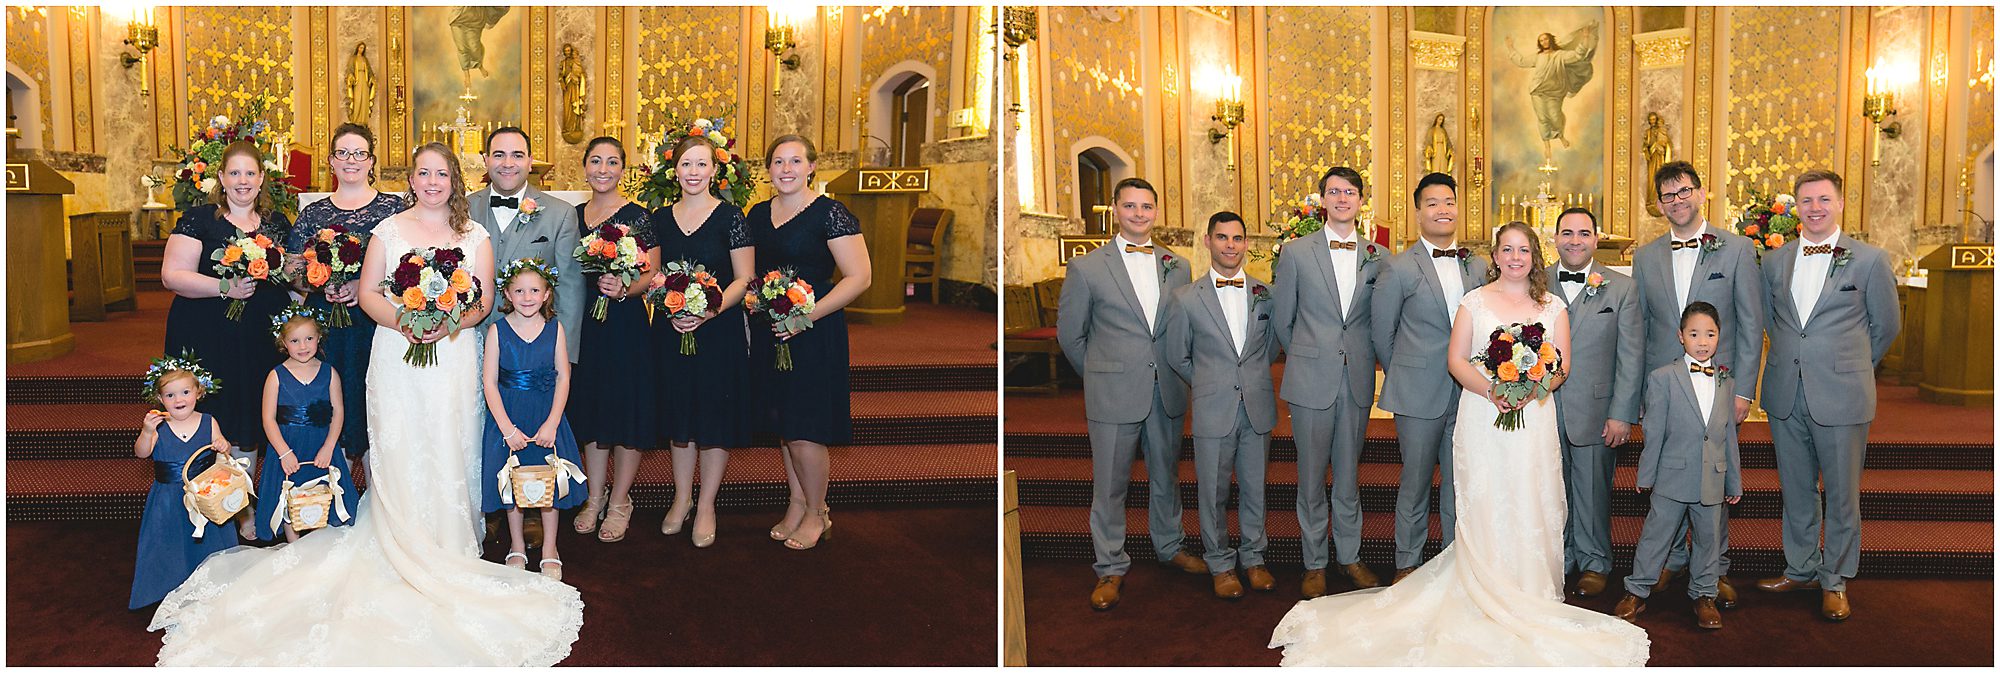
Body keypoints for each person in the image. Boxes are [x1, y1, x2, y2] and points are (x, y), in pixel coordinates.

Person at [147, 143, 583, 666]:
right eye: (423, 173)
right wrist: (405, 321)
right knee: (400, 442)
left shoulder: (476, 235)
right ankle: (396, 536)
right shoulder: (389, 231)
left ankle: (451, 541)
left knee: (451, 440)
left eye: (441, 174)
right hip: (398, 353)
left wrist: (446, 321)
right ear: (411, 177)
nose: (431, 182)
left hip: (452, 353)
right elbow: (373, 294)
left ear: (454, 180)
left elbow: (486, 299)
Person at [1270, 222, 1650, 666]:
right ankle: (1478, 585)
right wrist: (1494, 391)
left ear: (1534, 257)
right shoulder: (1474, 302)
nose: (1514, 257)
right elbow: (1456, 359)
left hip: (1533, 417)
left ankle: (1531, 589)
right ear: (1495, 255)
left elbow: (1560, 365)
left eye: (1523, 250)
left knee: (1532, 496)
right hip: (1483, 414)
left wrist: (1530, 390)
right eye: (1506, 249)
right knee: (1485, 497)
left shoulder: (1553, 307)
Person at [1753, 169, 1900, 621]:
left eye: (1822, 199)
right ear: (1795, 207)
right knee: (1796, 489)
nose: (1814, 208)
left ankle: (1834, 578)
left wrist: (1848, 366)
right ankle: (1799, 567)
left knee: (1840, 494)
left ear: (1839, 204)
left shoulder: (1869, 260)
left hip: (1843, 394)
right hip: (1784, 393)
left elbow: (1887, 326)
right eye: (1805, 201)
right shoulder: (1775, 261)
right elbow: (1769, 319)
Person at [1056, 177, 1203, 611]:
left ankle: (1170, 546)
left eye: (1147, 207)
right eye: (1131, 206)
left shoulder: (1178, 266)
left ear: (1156, 212)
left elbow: (1182, 330)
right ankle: (1109, 566)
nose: (1139, 214)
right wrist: (1102, 374)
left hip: (1168, 389)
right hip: (1113, 391)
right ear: (1115, 211)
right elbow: (1071, 336)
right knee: (1111, 484)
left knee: (1167, 476)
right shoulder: (1087, 267)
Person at [1630, 160, 1762, 606]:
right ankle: (1667, 562)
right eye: (1667, 196)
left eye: (1684, 191)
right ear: (1659, 204)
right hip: (1666, 390)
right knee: (1669, 477)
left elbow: (1749, 321)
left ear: (1701, 193)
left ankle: (1713, 569)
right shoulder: (1645, 256)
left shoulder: (1737, 248)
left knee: (1713, 474)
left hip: (1717, 389)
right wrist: (1644, 395)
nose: (1677, 201)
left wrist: (1743, 390)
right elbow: (1643, 327)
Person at [160, 140, 292, 539]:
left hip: (258, 337)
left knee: (250, 416)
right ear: (220, 178)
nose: (242, 181)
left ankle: (242, 510)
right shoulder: (199, 219)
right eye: (234, 173)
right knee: (217, 415)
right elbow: (173, 275)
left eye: (250, 173)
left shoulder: (276, 223)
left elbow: (291, 277)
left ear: (262, 178)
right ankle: (206, 505)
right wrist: (226, 286)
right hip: (207, 334)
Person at [1271, 166, 1390, 597]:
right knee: (1310, 474)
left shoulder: (1378, 255)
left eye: (1351, 192)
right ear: (1322, 199)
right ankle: (1314, 561)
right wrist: (1310, 353)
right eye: (1334, 191)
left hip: (1356, 377)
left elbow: (1381, 319)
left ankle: (1350, 557)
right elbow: (1282, 320)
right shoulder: (1296, 252)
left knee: (1348, 473)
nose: (1343, 198)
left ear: (1361, 201)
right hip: (1309, 378)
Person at [748, 134, 871, 552]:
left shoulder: (830, 213)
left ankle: (819, 512)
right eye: (778, 162)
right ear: (769, 170)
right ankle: (797, 503)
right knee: (785, 426)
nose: (786, 169)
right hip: (772, 330)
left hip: (814, 331)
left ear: (811, 167)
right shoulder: (759, 214)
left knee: (806, 429)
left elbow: (859, 276)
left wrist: (807, 316)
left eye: (795, 161)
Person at [1371, 172, 1488, 582]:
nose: (1443, 209)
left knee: (1461, 481)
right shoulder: (1399, 268)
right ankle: (1407, 561)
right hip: (1418, 394)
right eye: (1433, 203)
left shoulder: (1478, 265)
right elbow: (1382, 335)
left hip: (1471, 394)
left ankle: (1457, 560)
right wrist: (1410, 371)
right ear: (1419, 212)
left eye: (1449, 202)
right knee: (1416, 481)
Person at [1161, 211, 1278, 599]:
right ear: (1208, 241)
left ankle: (1254, 558)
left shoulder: (1266, 294)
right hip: (1214, 407)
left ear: (1247, 244)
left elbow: (1271, 346)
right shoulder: (1185, 298)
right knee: (1213, 491)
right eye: (1222, 237)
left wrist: (1249, 379)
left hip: (1257, 404)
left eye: (1238, 238)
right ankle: (1220, 563)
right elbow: (1178, 355)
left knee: (1254, 487)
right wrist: (1213, 383)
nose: (1230, 245)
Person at [652, 134, 755, 547]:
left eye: (701, 164)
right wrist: (674, 306)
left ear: (715, 170)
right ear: (674, 171)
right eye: (685, 164)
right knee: (680, 416)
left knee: (713, 417)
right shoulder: (659, 218)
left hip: (718, 330)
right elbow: (654, 275)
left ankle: (707, 502)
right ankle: (681, 497)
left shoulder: (732, 217)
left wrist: (708, 310)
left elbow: (744, 277)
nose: (693, 172)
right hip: (672, 328)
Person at [1616, 301, 1743, 630]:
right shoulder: (1663, 378)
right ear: (1681, 337)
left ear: (1719, 337)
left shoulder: (1726, 381)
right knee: (1655, 536)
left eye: (1710, 334)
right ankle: (1636, 590)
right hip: (1671, 476)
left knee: (1707, 539)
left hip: (1712, 477)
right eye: (1695, 334)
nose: (1703, 341)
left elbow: (1728, 435)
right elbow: (1654, 432)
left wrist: (1734, 482)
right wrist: (1647, 474)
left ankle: (1704, 594)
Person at [288, 123, 404, 461]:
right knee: (327, 400)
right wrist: (321, 281)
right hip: (325, 323)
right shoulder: (314, 212)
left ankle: (375, 496)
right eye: (343, 153)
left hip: (375, 321)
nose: (351, 160)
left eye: (359, 153)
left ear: (371, 161)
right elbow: (293, 269)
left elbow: (406, 268)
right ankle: (331, 491)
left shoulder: (392, 210)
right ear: (331, 161)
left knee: (373, 403)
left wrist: (363, 286)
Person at [1544, 207, 1642, 596]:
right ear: (1554, 239)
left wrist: (1622, 414)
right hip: (1542, 409)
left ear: (1596, 239)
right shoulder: (1535, 283)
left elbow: (1631, 356)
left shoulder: (1621, 288)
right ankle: (1559, 557)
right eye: (1566, 233)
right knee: (1550, 488)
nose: (1574, 241)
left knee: (1592, 490)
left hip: (1597, 409)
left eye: (1583, 233)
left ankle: (1595, 561)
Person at [566, 137, 659, 543]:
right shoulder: (571, 216)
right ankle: (594, 495)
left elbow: (652, 272)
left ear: (623, 168)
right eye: (596, 161)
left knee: (625, 410)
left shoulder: (639, 216)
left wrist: (624, 287)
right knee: (592, 412)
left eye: (613, 162)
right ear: (584, 168)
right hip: (584, 322)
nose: (603, 169)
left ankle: (621, 500)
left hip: (625, 323)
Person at [482, 258, 586, 580]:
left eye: (534, 290)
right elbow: (488, 382)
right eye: (519, 291)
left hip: (545, 416)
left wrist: (553, 422)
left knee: (548, 481)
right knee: (513, 483)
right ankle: (515, 544)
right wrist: (506, 428)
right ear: (508, 295)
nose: (527, 297)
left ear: (546, 295)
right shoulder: (497, 331)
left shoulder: (556, 330)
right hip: (509, 418)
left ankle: (550, 548)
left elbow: (563, 378)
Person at [130, 357, 236, 609]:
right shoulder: (158, 426)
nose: (179, 400)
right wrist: (146, 432)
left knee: (207, 543)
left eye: (185, 392)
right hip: (167, 499)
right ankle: (168, 588)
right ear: (160, 398)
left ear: (198, 392)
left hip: (203, 496)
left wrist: (224, 445)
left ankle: (211, 585)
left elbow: (223, 449)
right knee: (169, 545)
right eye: (170, 395)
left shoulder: (209, 421)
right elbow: (141, 453)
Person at [253, 306, 359, 543]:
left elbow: (339, 411)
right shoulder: (276, 375)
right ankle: (295, 547)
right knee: (290, 495)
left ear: (319, 338)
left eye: (309, 339)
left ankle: (319, 544)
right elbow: (268, 419)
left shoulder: (330, 373)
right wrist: (284, 453)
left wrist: (329, 446)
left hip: (320, 445)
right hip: (289, 446)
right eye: (295, 340)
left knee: (321, 494)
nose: (303, 346)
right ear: (284, 342)